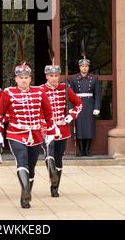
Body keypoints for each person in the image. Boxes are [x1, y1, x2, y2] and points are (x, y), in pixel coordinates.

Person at [0, 63, 59, 209]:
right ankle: (24, 189)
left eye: (26, 77)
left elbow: (48, 113)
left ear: (30, 78)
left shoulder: (39, 92)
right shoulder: (8, 92)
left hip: (35, 134)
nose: (23, 80)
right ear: (16, 79)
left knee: (31, 167)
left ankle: (26, 195)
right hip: (15, 134)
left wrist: (50, 132)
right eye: (20, 78)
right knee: (22, 160)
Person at [40, 63, 82, 197]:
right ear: (46, 76)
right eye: (51, 76)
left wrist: (71, 116)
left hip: (62, 128)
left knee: (58, 158)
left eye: (56, 76)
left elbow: (79, 103)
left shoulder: (65, 88)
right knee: (49, 154)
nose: (54, 78)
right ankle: (52, 175)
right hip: (47, 129)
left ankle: (55, 186)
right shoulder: (40, 90)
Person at [69, 57, 101, 156]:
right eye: (82, 66)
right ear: (79, 67)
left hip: (89, 105)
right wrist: (71, 107)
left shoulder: (94, 79)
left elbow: (97, 94)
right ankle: (81, 150)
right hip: (78, 104)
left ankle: (87, 150)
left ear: (88, 67)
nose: (84, 68)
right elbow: (70, 94)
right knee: (79, 128)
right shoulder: (73, 78)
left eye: (86, 66)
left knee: (89, 128)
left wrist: (97, 107)